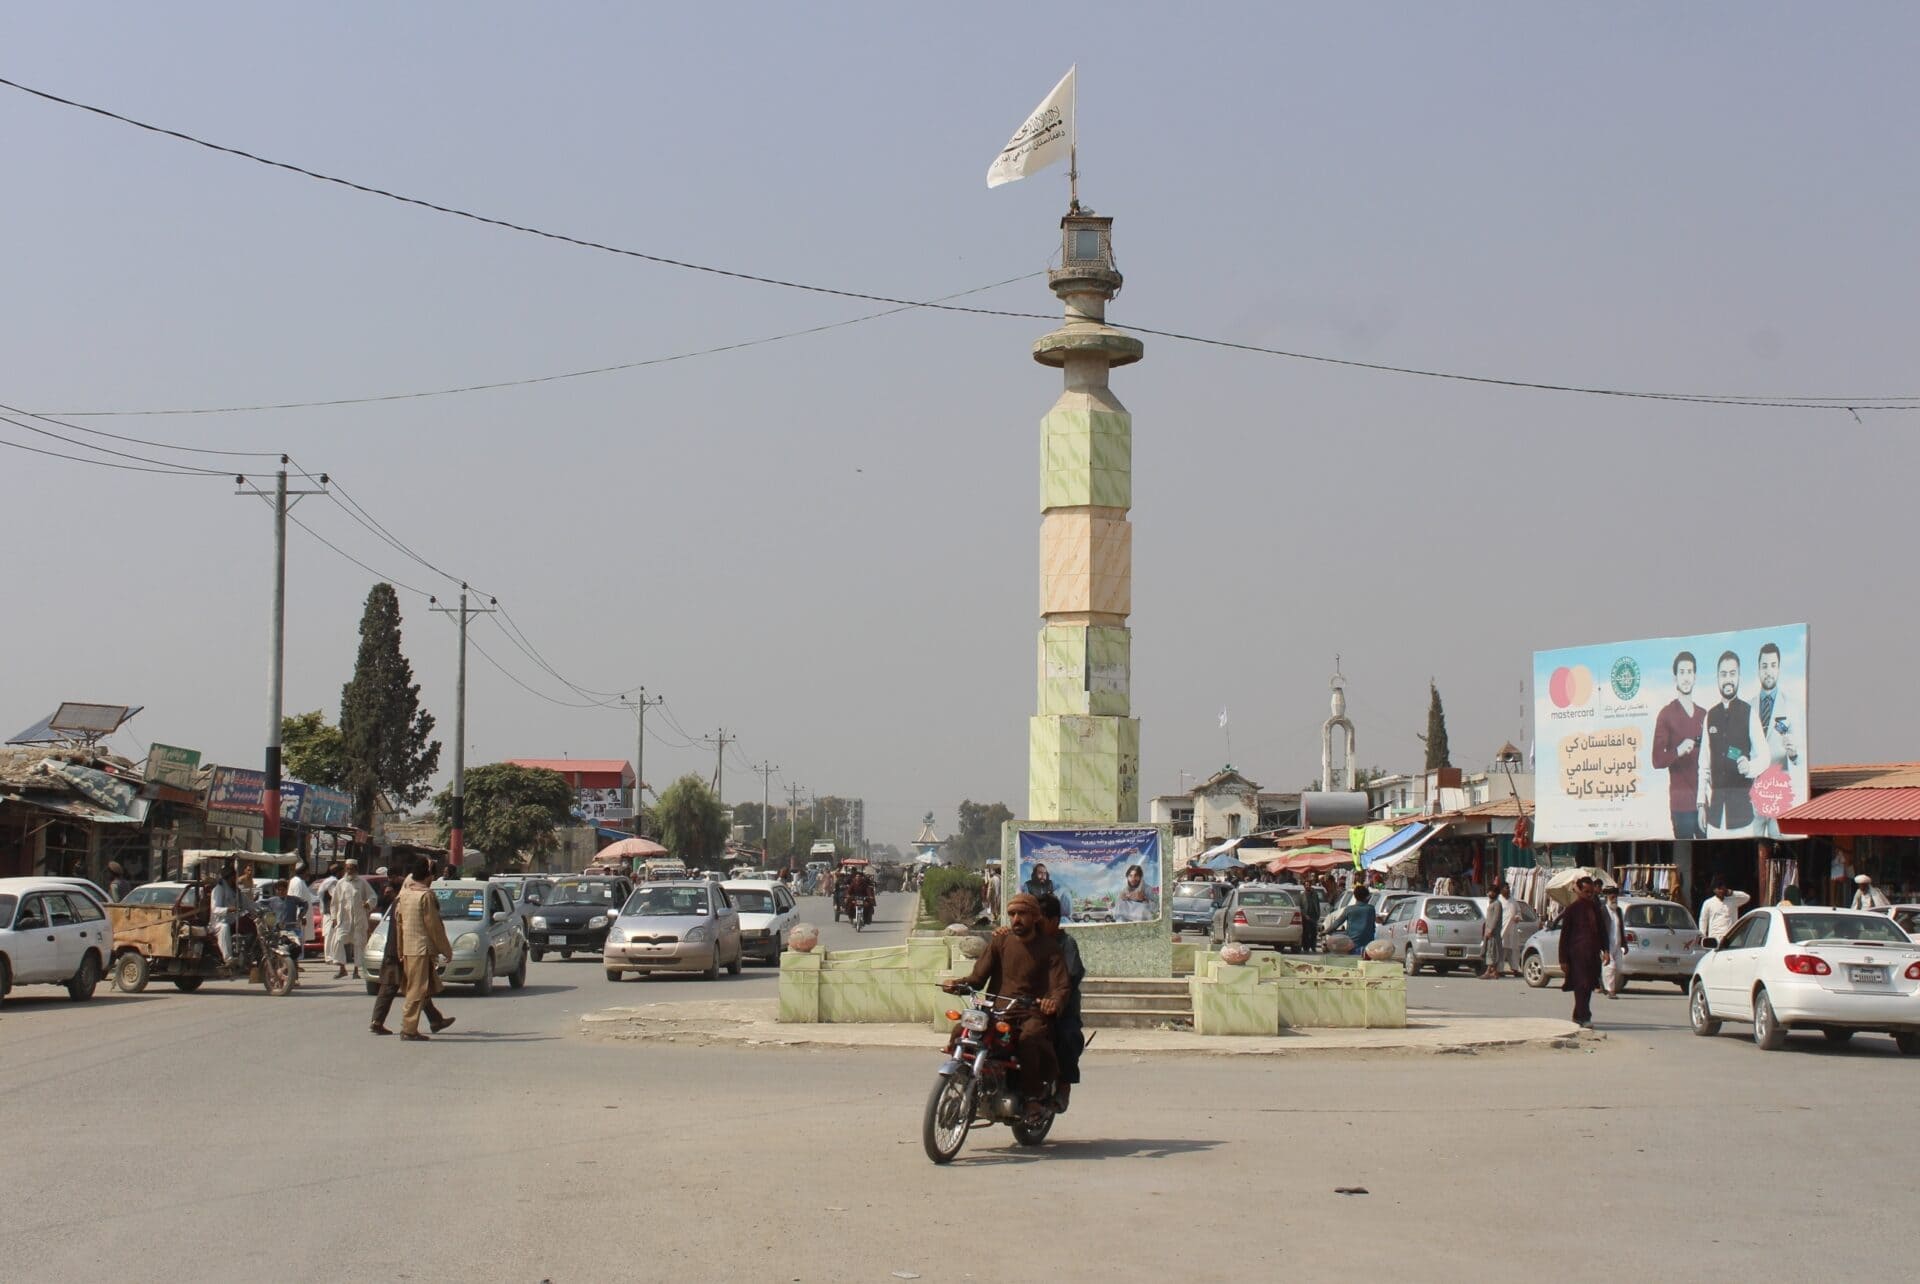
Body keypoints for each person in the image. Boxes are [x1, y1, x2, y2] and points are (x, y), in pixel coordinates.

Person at [942, 893, 1069, 1124]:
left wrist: (1053, 1002)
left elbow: (1060, 986)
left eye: (1022, 914)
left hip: (1031, 1013)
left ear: (1035, 917)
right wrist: (958, 984)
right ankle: (964, 1076)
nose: (1016, 919)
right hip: (997, 1010)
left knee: (1028, 1040)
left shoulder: (1050, 949)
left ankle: (1031, 1097)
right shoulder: (1000, 942)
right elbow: (978, 977)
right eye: (1012, 914)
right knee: (963, 1030)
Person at [375, 857, 454, 1041]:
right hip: (421, 949)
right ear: (429, 876)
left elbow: (399, 924)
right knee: (416, 990)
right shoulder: (425, 896)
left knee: (420, 987)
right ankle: (409, 1029)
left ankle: (435, 1020)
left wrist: (401, 949)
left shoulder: (404, 895)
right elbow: (434, 926)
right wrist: (446, 950)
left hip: (408, 949)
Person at [1698, 651, 1768, 838]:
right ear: (1717, 678)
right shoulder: (1710, 716)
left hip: (1742, 818)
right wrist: (1700, 805)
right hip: (1715, 817)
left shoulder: (1749, 713)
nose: (1728, 679)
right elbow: (1703, 766)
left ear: (1739, 677)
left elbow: (1765, 757)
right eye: (1723, 674)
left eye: (1732, 674)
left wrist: (1750, 767)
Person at [1034, 892, 1085, 1111]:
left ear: (1054, 921)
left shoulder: (1067, 944)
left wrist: (1053, 999)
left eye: (1040, 921)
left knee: (1066, 1036)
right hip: (1029, 1006)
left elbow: (1070, 977)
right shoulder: (1027, 941)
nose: (1034, 925)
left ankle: (1064, 1087)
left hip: (1061, 1009)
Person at [1650, 650, 1708, 840]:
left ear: (1695, 676)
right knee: (1686, 858)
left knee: (1709, 856)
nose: (1686, 677)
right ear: (1675, 677)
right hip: (1680, 805)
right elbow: (1657, 760)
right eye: (1682, 672)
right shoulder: (1666, 714)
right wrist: (1678, 750)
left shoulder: (1704, 715)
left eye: (1689, 672)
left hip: (1703, 803)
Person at [1557, 876, 1609, 1028]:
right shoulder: (1572, 909)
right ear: (1579, 891)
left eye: (1592, 892)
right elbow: (1564, 936)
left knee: (1588, 986)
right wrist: (1563, 960)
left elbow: (1602, 931)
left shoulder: (1595, 909)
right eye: (1586, 891)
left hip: (1592, 955)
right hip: (1576, 955)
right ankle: (1585, 1016)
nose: (1589, 895)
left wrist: (1606, 950)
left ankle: (1578, 1015)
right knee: (1581, 984)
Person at [326, 859, 374, 979]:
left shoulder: (362, 883)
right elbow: (334, 902)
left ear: (356, 869)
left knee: (358, 944)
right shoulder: (340, 883)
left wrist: (368, 904)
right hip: (344, 919)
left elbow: (373, 896)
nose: (350, 871)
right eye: (348, 868)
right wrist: (333, 917)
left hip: (358, 919)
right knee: (338, 940)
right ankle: (342, 968)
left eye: (352, 868)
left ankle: (356, 971)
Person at [1698, 878, 1752, 944]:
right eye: (1718, 888)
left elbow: (1747, 897)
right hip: (1715, 938)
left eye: (1722, 888)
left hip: (1732, 937)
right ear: (1714, 890)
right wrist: (1703, 936)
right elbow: (1703, 920)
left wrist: (1731, 892)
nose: (1721, 890)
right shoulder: (1708, 903)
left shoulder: (1733, 900)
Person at [1328, 884, 1376, 955]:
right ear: (1366, 897)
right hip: (1368, 945)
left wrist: (1326, 931)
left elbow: (1337, 923)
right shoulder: (1371, 909)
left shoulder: (1349, 909)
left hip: (1352, 944)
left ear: (1355, 896)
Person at [208, 866, 241, 966]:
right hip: (218, 923)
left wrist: (261, 909)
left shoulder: (236, 890)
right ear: (229, 877)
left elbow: (249, 904)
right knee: (224, 927)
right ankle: (228, 959)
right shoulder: (219, 889)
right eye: (234, 876)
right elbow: (215, 909)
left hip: (234, 921)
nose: (235, 878)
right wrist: (228, 909)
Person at [1601, 885, 1629, 998]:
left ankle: (1607, 987)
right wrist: (1603, 948)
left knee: (1618, 968)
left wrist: (1624, 944)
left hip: (1617, 944)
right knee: (1610, 967)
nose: (1614, 899)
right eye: (1612, 897)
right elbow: (1601, 930)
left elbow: (1621, 928)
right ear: (1607, 897)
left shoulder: (1618, 911)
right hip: (1606, 945)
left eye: (1615, 897)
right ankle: (1610, 991)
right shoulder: (1602, 911)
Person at [1481, 880, 1511, 979]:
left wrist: (1491, 930)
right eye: (1490, 891)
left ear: (1496, 893)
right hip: (1489, 931)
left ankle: (1488, 971)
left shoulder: (1497, 904)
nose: (1490, 893)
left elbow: (1496, 918)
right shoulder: (1491, 903)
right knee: (1491, 950)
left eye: (1492, 892)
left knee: (1492, 951)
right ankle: (1494, 972)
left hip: (1493, 932)